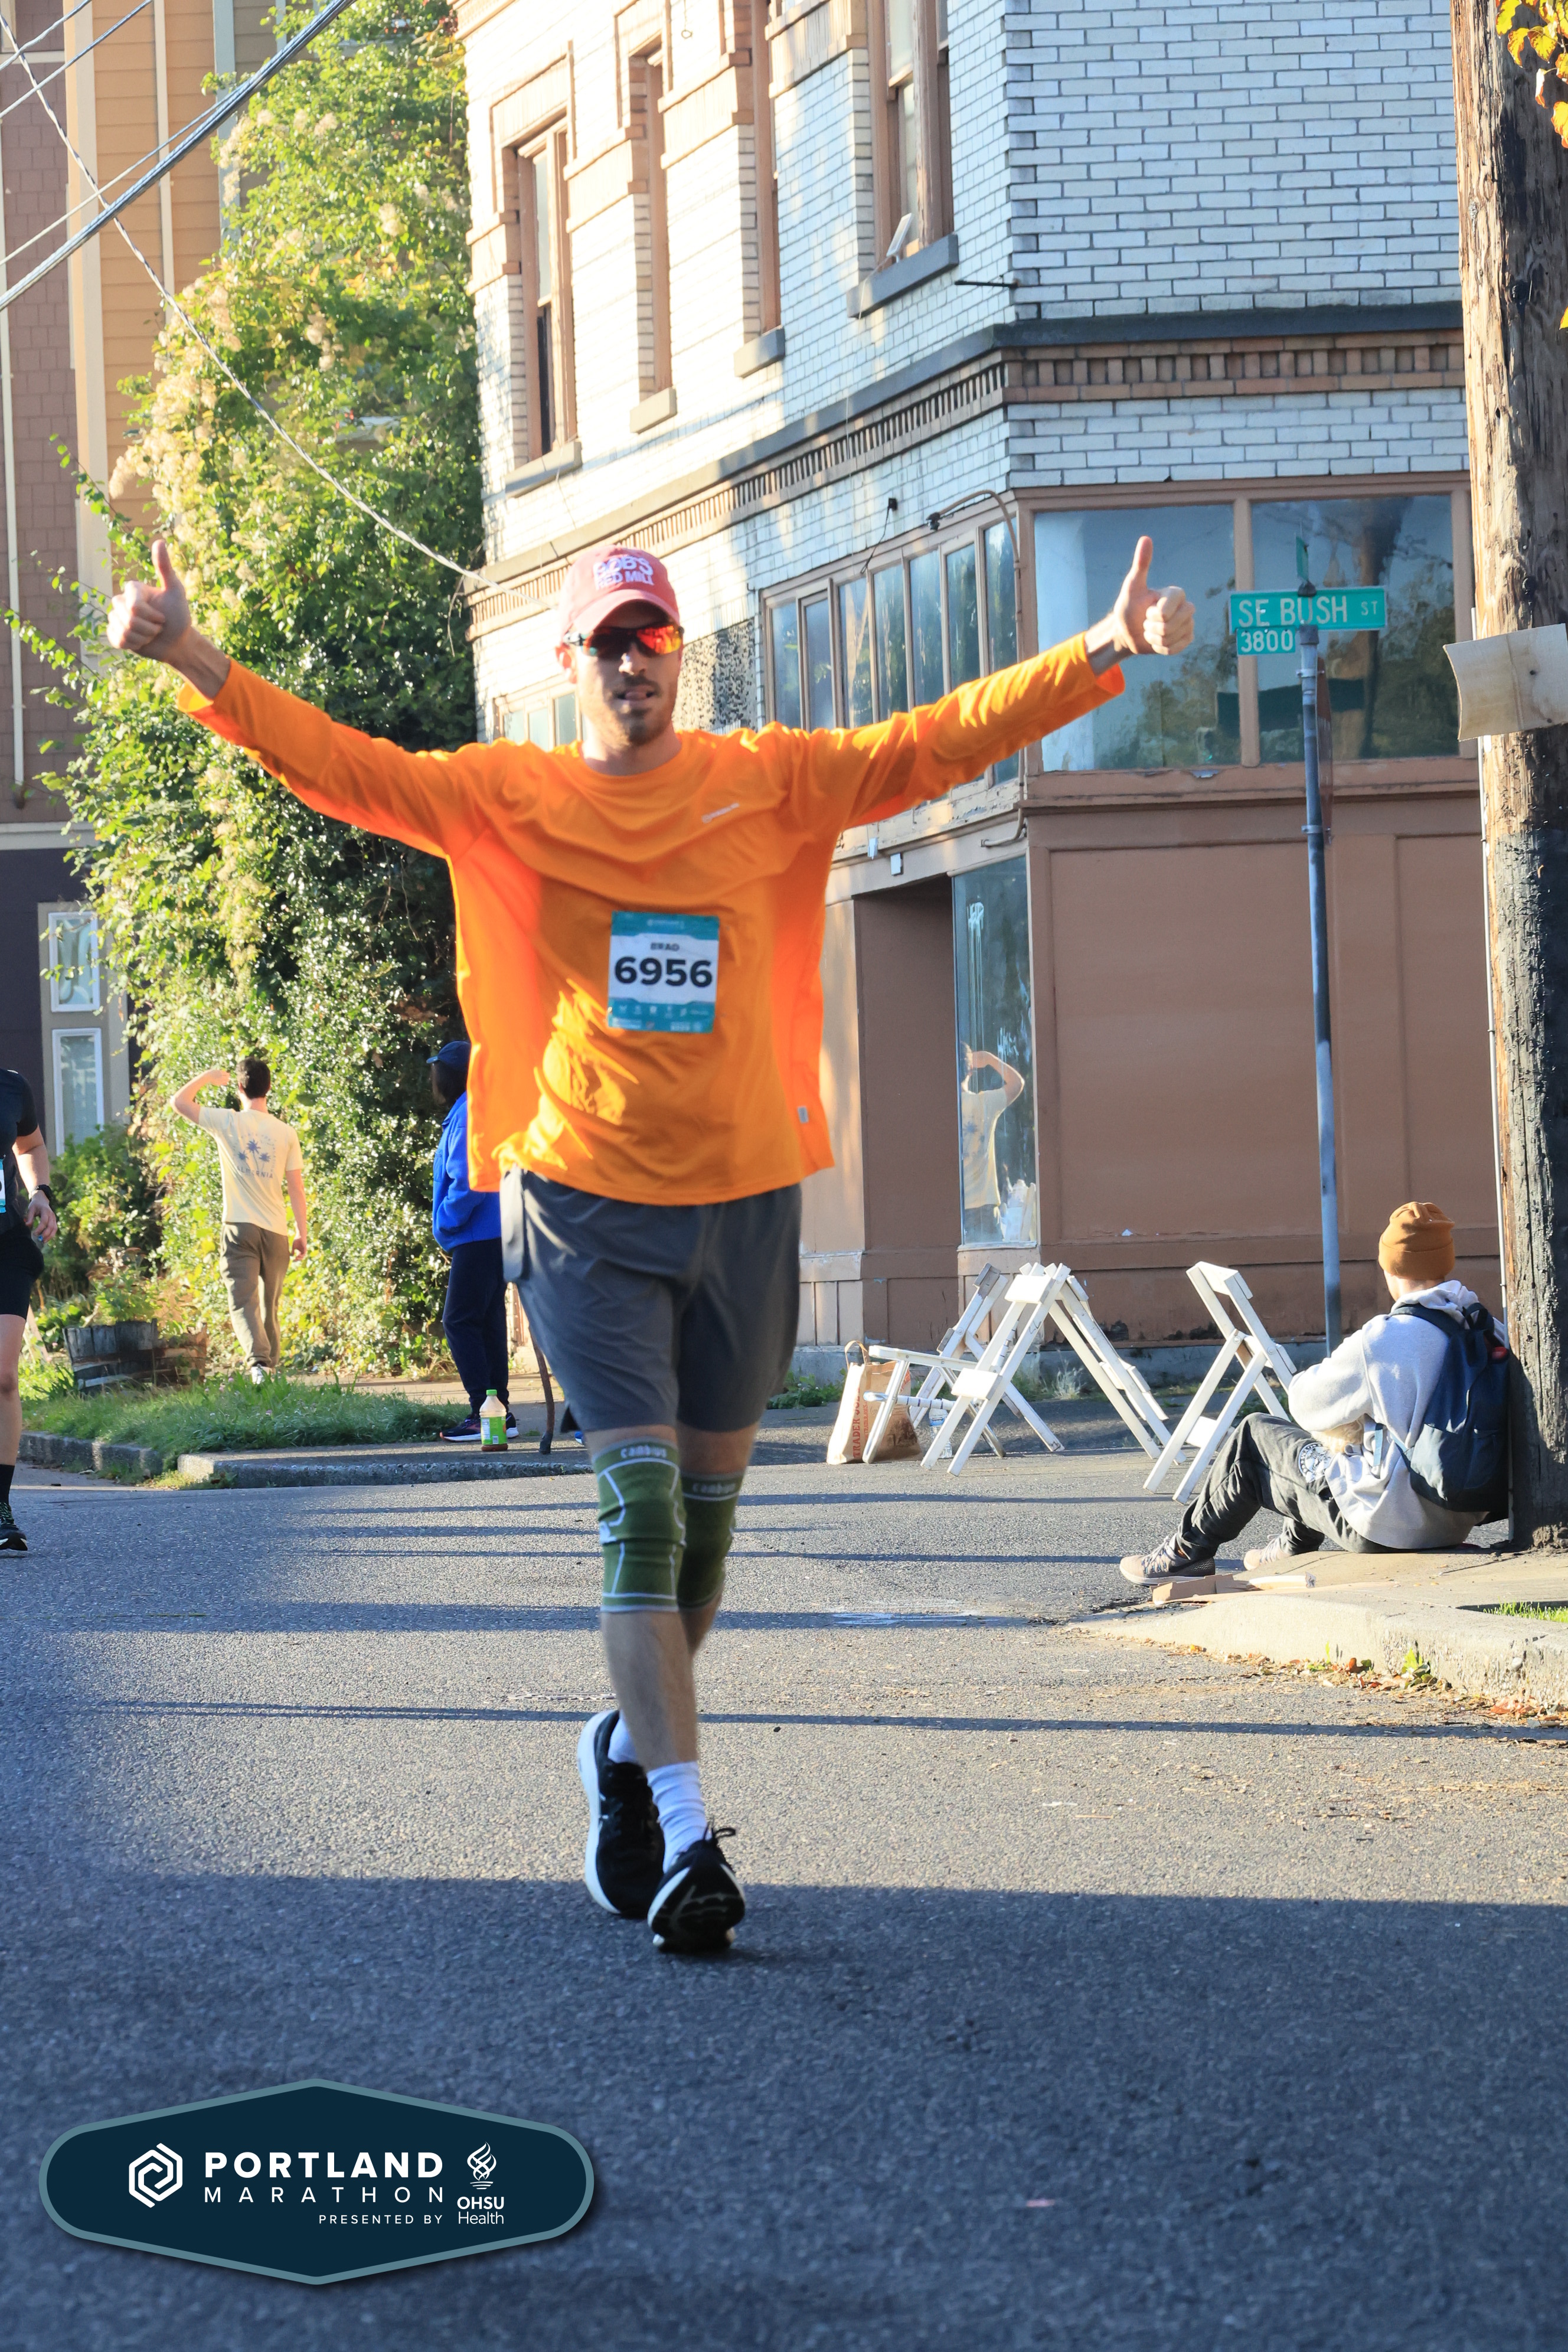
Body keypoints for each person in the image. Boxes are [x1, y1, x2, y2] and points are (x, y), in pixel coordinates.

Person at [107, 528, 1194, 1954]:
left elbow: (932, 742)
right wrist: (195, 655)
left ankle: (625, 1748)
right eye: (610, 642)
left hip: (744, 1201)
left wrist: (1100, 651)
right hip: (581, 1204)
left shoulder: (767, 781)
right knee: (641, 1511)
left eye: (655, 638)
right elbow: (347, 768)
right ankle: (687, 1834)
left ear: (681, 654)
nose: (635, 662)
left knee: (704, 1540)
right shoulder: (512, 797)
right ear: (572, 663)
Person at [1119, 1201, 1501, 1583]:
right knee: (1334, 1455)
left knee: (1255, 1437)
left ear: (1391, 1268)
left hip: (1387, 1525)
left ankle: (1187, 1553)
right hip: (1455, 1517)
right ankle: (1289, 1549)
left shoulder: (1386, 1338)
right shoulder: (1486, 1328)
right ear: (1445, 1263)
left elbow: (1305, 1405)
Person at [171, 1055, 308, 1383]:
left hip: (239, 1229)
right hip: (277, 1232)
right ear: (269, 1088)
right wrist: (302, 1233)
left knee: (244, 1301)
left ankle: (260, 1366)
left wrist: (207, 1077)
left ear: (239, 1088)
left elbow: (179, 1102)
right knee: (270, 1306)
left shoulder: (227, 1122)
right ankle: (269, 1372)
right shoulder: (286, 1133)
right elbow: (296, 1187)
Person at [428, 1038, 517, 1443]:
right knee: (488, 1321)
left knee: (459, 1320)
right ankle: (500, 1415)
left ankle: (484, 1409)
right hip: (496, 1233)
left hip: (477, 1235)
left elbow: (469, 1182)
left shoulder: (467, 1116)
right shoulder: (480, 1110)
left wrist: (446, 1224)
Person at [0, 1069, 58, 1556]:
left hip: (6, 1246)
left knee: (4, 1375)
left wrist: (41, 1191)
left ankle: (0, 1507)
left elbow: (30, 1145)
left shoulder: (12, 1087)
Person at [959, 1043, 1025, 1235]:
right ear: (971, 1070)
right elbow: (1017, 1083)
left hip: (950, 1209)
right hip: (983, 1208)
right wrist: (989, 1059)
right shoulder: (984, 1104)